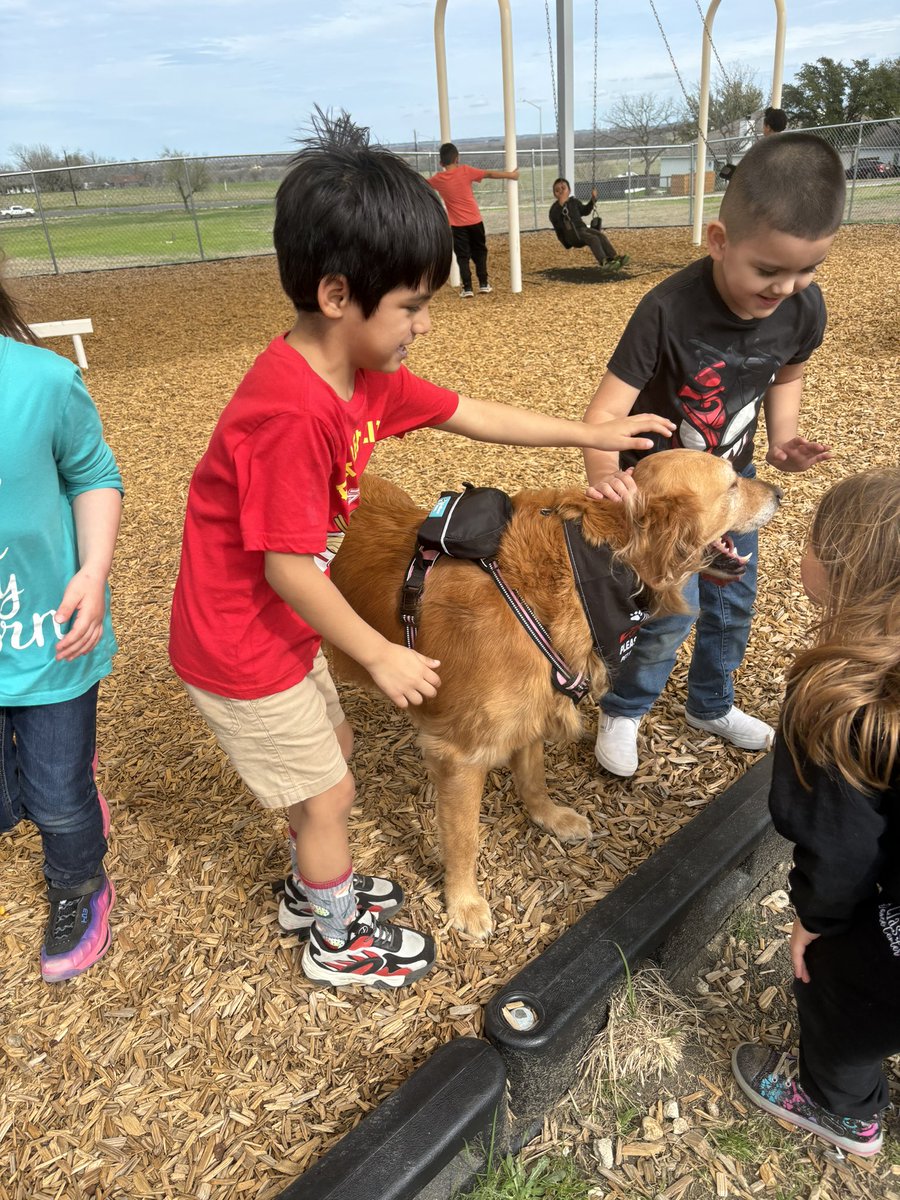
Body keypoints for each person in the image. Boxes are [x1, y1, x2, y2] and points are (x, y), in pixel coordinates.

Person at [168, 109, 675, 991]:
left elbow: (470, 413)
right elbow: (288, 567)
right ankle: (337, 938)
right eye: (412, 305)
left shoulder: (360, 374)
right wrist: (379, 654)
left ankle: (311, 882)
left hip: (281, 628)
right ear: (336, 295)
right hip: (239, 639)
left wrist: (592, 430)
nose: (424, 326)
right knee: (327, 795)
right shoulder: (291, 411)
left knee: (333, 757)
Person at [583, 132, 846, 778]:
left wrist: (783, 437)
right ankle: (626, 706)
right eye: (768, 270)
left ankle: (711, 701)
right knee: (674, 609)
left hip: (731, 481)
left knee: (734, 600)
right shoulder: (667, 310)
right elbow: (602, 416)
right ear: (719, 240)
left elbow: (787, 372)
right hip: (670, 499)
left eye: (806, 271)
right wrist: (609, 485)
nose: (786, 288)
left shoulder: (801, 309)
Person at [732, 467, 900, 1159]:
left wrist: (818, 926)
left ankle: (839, 1111)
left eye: (808, 539)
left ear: (838, 570)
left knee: (843, 996)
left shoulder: (841, 700)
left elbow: (840, 849)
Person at [0, 268, 123, 983]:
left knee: (55, 798)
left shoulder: (43, 382)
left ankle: (81, 885)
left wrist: (93, 572)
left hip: (50, 639)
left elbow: (93, 475)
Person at [426, 142, 519, 298]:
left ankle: (467, 287)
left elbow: (421, 184)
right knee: (480, 252)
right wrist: (511, 175)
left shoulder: (438, 179)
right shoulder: (465, 171)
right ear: (457, 159)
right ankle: (483, 284)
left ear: (441, 163)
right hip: (475, 221)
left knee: (462, 256)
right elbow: (489, 174)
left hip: (456, 225)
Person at [548, 178, 625, 268]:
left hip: (582, 229)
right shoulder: (555, 209)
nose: (560, 191)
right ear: (554, 194)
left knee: (600, 236)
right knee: (593, 239)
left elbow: (585, 211)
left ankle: (614, 258)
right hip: (571, 234)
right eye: (557, 190)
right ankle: (604, 262)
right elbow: (555, 221)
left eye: (563, 188)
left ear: (569, 191)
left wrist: (593, 199)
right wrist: (561, 205)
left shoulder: (574, 202)